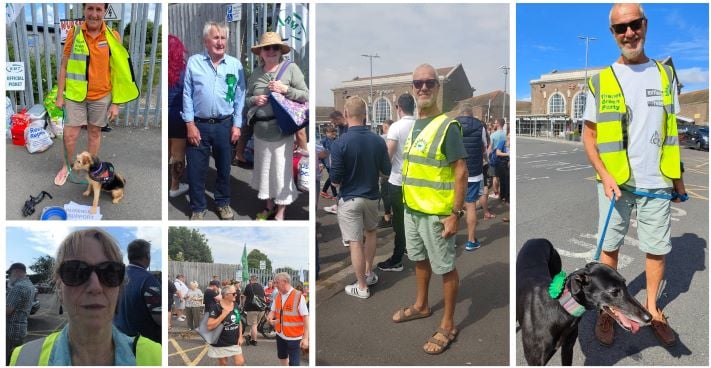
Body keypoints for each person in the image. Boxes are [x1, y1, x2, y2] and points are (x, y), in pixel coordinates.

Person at [584, 3, 687, 348]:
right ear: (613, 34)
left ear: (645, 24)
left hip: (657, 180)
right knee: (608, 249)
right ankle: (608, 311)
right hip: (614, 184)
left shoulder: (666, 75)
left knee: (656, 249)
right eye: (620, 28)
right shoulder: (601, 80)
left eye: (634, 24)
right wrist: (605, 175)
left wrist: (678, 180)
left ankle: (654, 310)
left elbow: (672, 130)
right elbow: (590, 137)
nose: (629, 33)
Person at [392, 64, 467, 355]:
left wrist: (455, 214)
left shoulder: (447, 126)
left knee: (445, 268)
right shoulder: (415, 126)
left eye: (429, 83)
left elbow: (461, 171)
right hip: (413, 210)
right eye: (418, 83)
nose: (423, 87)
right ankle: (422, 305)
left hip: (437, 214)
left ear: (437, 87)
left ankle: (448, 325)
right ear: (413, 88)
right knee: (419, 260)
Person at [10, 229, 161, 365]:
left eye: (110, 272)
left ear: (119, 289)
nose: (95, 287)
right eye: (76, 272)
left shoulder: (157, 356)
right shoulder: (24, 359)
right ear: (59, 288)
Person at [182, 21, 246, 220]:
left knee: (224, 169)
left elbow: (240, 97)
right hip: (199, 125)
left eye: (223, 38)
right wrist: (190, 124)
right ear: (206, 41)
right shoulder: (194, 62)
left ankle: (223, 203)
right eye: (216, 37)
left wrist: (237, 125)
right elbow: (187, 94)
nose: (220, 42)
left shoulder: (235, 65)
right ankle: (198, 207)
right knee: (195, 170)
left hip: (224, 125)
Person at [330, 97, 391, 298]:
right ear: (366, 114)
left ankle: (362, 286)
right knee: (371, 233)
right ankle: (368, 272)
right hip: (372, 197)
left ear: (346, 114)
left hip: (349, 198)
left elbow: (335, 178)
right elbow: (386, 170)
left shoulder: (340, 143)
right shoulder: (377, 140)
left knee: (355, 242)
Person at [246, 32, 309, 221]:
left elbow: (306, 95)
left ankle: (281, 211)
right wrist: (255, 100)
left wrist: (285, 90)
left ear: (280, 50)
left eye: (275, 47)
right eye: (267, 48)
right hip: (260, 132)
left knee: (281, 172)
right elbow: (247, 99)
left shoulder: (291, 69)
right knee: (265, 171)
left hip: (282, 131)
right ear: (261, 52)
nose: (271, 51)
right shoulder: (256, 73)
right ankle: (269, 206)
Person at [377, 93, 417, 272]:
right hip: (418, 182)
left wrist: (381, 173)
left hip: (398, 181)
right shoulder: (421, 126)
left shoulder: (396, 128)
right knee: (416, 219)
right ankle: (413, 249)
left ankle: (397, 259)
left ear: (398, 108)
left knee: (400, 223)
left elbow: (388, 156)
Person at [114, 239, 161, 343]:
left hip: (118, 339)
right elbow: (159, 317)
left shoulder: (115, 277)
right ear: (147, 255)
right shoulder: (148, 280)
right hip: (144, 344)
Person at [456, 103, 488, 251]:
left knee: (454, 207)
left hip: (455, 173)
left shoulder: (452, 125)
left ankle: (452, 240)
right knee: (471, 207)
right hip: (473, 173)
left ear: (461, 113)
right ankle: (471, 241)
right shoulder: (480, 126)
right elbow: (484, 147)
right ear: (471, 113)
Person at [268, 273, 308, 366]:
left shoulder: (298, 296)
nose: (275, 285)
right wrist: (269, 318)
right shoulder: (278, 295)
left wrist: (305, 338)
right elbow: (272, 311)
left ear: (285, 282)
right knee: (282, 356)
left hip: (294, 338)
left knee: (294, 363)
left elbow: (306, 317)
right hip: (280, 335)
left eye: (277, 282)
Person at [168, 34, 190, 197]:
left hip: (167, 115)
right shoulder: (184, 72)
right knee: (178, 155)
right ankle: (174, 187)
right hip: (179, 117)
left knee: (167, 152)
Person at [207, 285, 245, 366]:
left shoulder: (235, 305)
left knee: (240, 362)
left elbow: (239, 321)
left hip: (234, 341)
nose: (236, 295)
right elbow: (209, 326)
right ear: (226, 295)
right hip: (221, 341)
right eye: (234, 293)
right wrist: (223, 315)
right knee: (224, 363)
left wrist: (240, 336)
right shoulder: (216, 307)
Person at [6, 263, 34, 364]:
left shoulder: (18, 287)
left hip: (11, 332)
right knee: (16, 358)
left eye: (10, 274)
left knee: (8, 359)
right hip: (21, 329)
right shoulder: (29, 285)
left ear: (16, 271)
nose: (9, 277)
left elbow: (7, 311)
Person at [323, 111, 348, 215]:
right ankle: (338, 205)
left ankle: (341, 207)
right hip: (341, 161)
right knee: (342, 187)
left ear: (338, 118)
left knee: (345, 186)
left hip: (346, 162)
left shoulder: (347, 128)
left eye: (334, 121)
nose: (334, 124)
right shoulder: (341, 128)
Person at [377, 119, 394, 228]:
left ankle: (387, 217)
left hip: (386, 173)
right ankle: (394, 216)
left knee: (385, 194)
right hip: (398, 172)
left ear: (386, 127)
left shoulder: (382, 138)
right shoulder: (400, 137)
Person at [241, 275, 266, 345]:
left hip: (252, 309)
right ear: (256, 280)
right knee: (255, 325)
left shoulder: (248, 286)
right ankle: (249, 335)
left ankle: (254, 341)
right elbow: (264, 298)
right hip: (261, 309)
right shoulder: (261, 286)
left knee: (254, 325)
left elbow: (244, 297)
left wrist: (243, 305)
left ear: (250, 280)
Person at [488, 118, 506, 199]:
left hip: (495, 157)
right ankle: (501, 193)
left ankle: (496, 193)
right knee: (501, 176)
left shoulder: (493, 135)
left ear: (498, 124)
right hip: (504, 157)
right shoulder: (506, 133)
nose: (493, 124)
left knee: (495, 176)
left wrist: (487, 157)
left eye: (495, 123)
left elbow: (490, 148)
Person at [319, 125, 338, 200]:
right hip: (327, 162)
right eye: (331, 132)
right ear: (326, 133)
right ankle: (335, 195)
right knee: (332, 177)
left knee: (331, 177)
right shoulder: (324, 141)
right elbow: (320, 152)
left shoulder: (335, 140)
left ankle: (324, 191)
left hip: (333, 162)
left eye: (334, 131)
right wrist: (320, 163)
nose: (333, 133)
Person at [495, 133, 510, 222]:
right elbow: (497, 152)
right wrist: (508, 154)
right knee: (503, 183)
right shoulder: (503, 142)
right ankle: (502, 196)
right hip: (502, 165)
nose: (509, 137)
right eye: (508, 135)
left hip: (508, 167)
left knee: (508, 188)